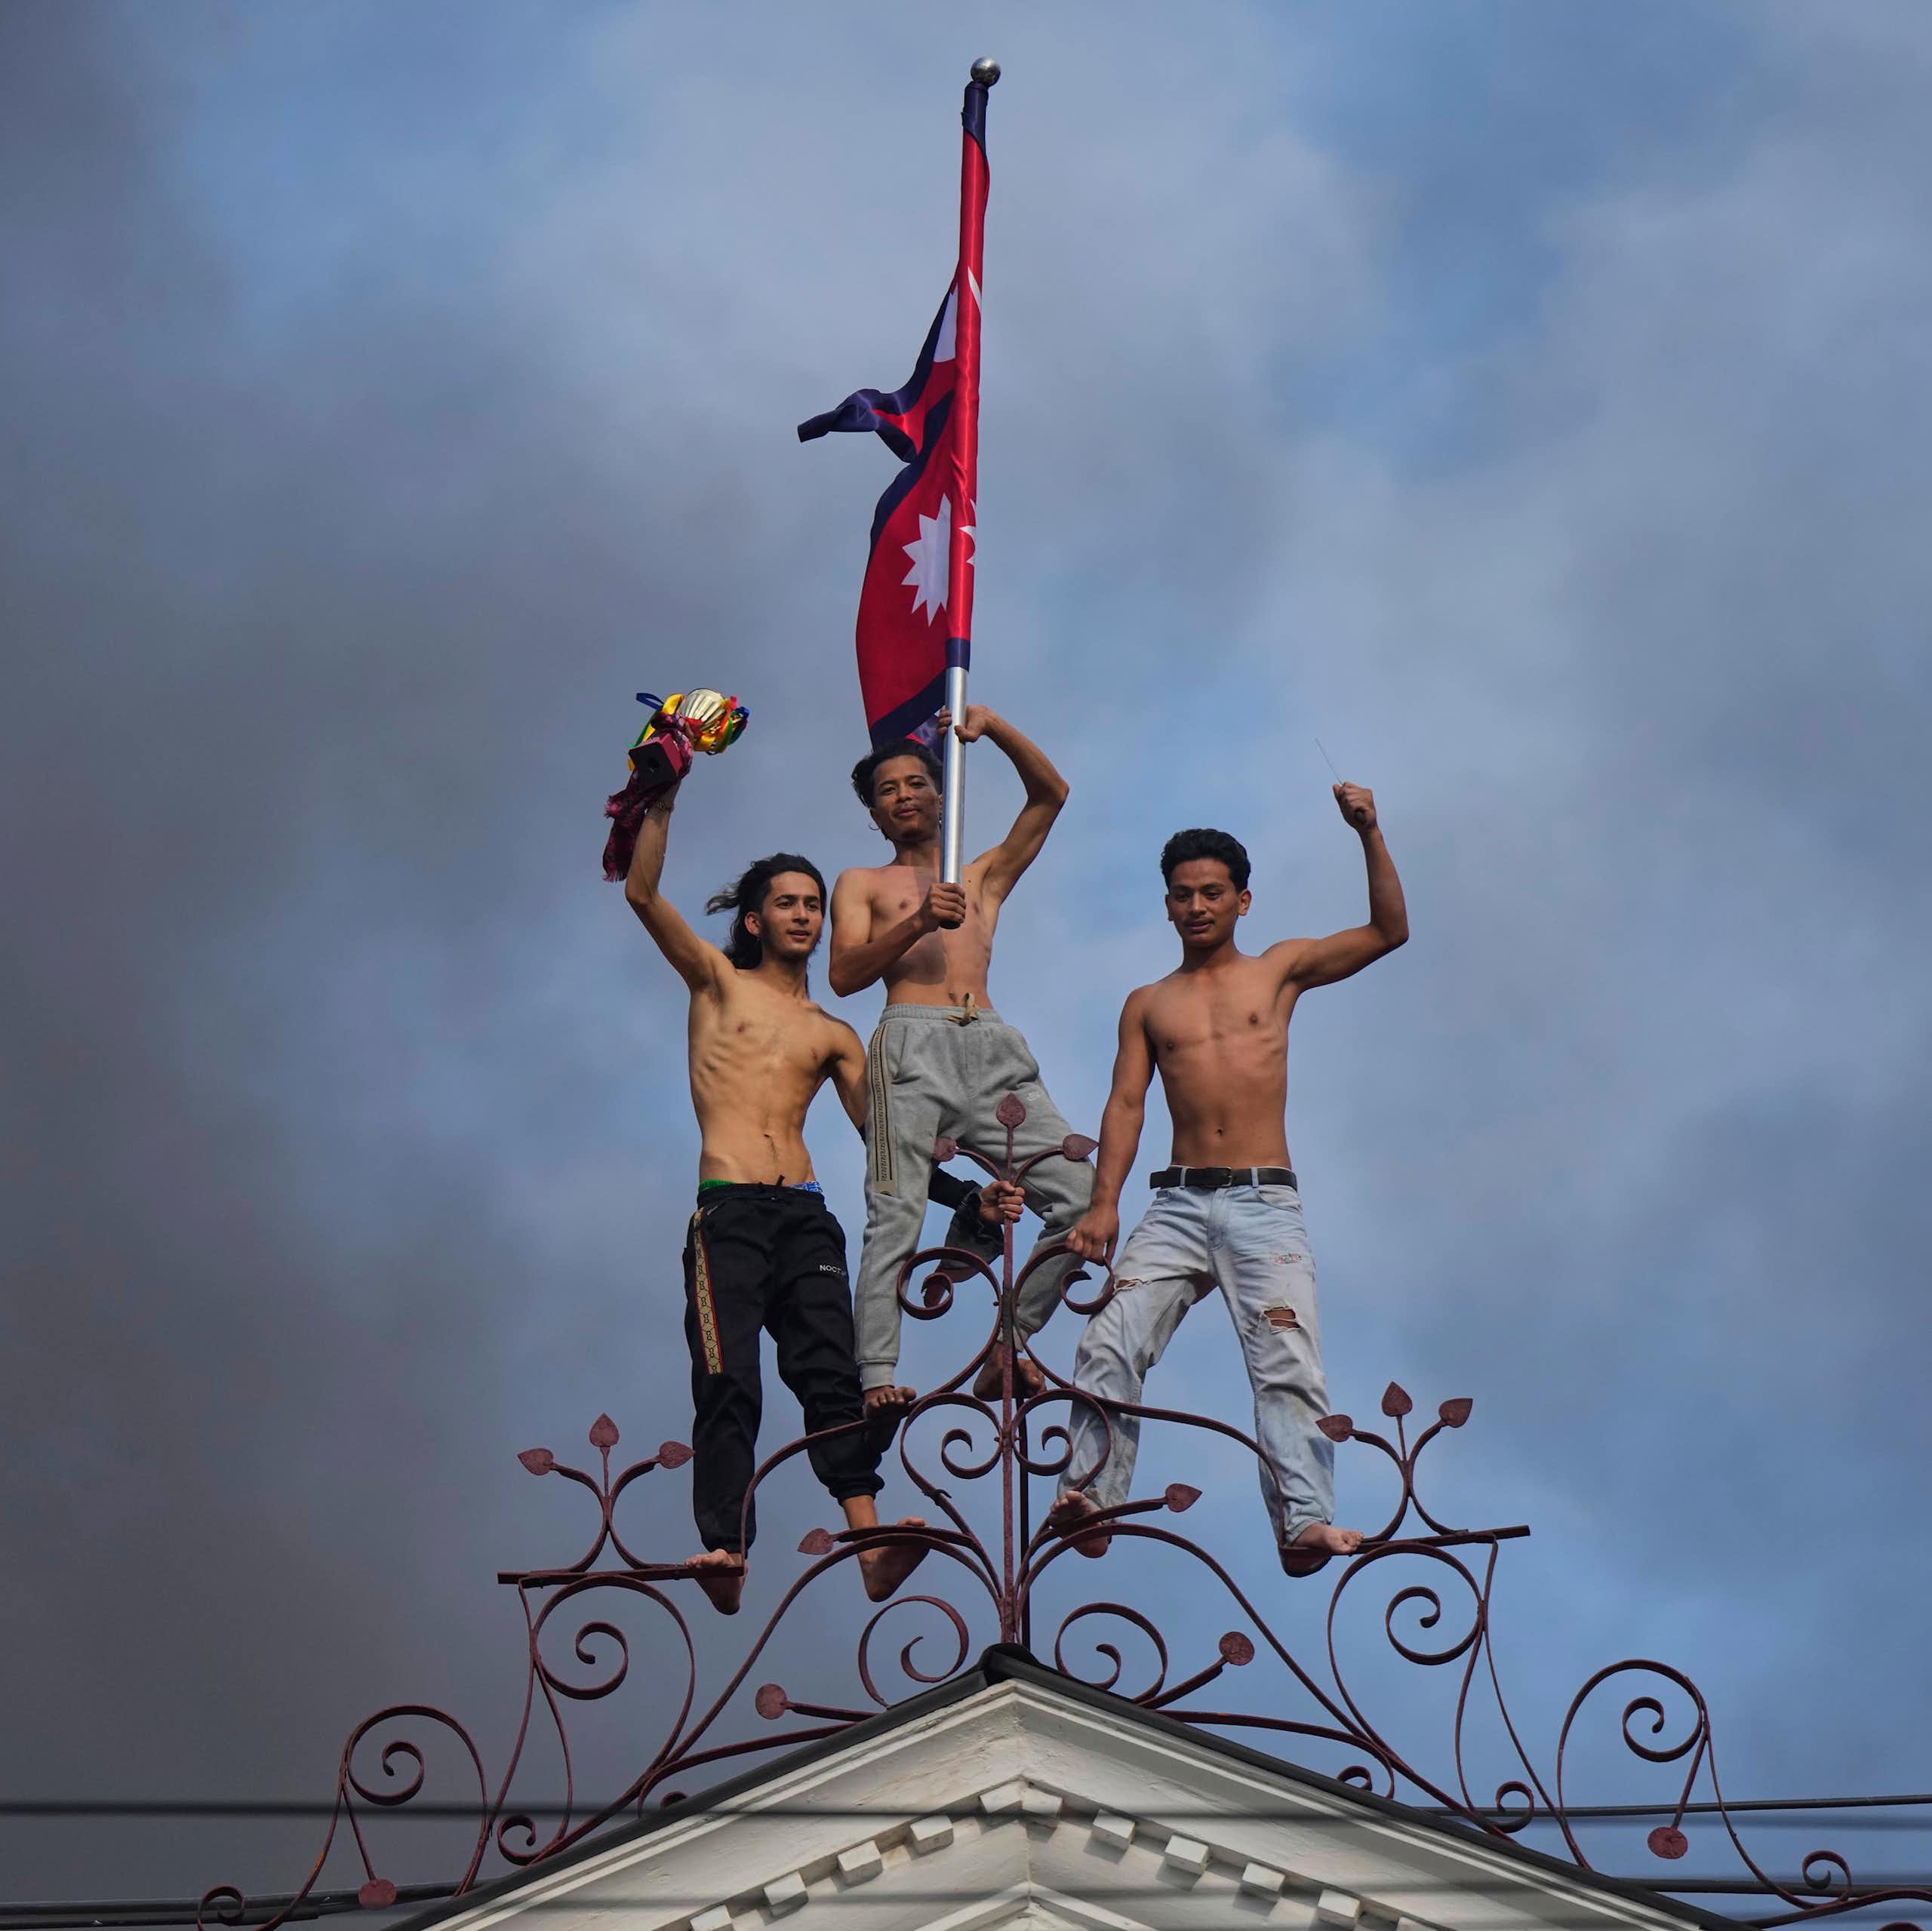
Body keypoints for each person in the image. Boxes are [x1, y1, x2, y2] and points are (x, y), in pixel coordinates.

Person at [623, 778, 1017, 1614]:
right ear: (756, 920)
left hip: (804, 1214)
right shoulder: (715, 985)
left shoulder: (834, 1035)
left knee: (832, 1378)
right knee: (730, 1380)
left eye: (812, 903)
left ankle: (872, 1550)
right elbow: (642, 892)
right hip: (728, 1211)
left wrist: (965, 1196)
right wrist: (663, 799)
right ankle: (726, 1549)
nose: (804, 915)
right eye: (787, 904)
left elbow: (889, 1141)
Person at [1056, 783, 1408, 1576]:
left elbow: (1391, 931)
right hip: (1176, 1202)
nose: (1196, 907)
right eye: (1181, 896)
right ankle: (1091, 1498)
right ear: (1166, 906)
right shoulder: (1149, 1003)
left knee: (1287, 1358)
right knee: (1108, 1339)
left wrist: (1369, 832)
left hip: (1262, 1200)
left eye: (1211, 893)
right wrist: (1104, 1204)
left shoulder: (1278, 971)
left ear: (1242, 900)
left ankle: (1305, 1521)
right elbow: (1123, 1103)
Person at [830, 708, 1094, 1410]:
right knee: (895, 1211)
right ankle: (878, 1375)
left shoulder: (980, 877)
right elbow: (844, 974)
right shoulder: (861, 883)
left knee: (1083, 1200)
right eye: (888, 790)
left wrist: (994, 726)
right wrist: (919, 920)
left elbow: (1051, 796)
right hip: (911, 1039)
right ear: (875, 814)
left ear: (943, 795)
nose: (905, 795)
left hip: (989, 1042)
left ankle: (1010, 1341)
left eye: (917, 782)